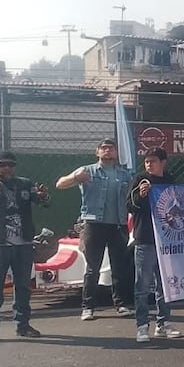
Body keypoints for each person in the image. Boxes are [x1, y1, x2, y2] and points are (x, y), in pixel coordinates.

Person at [0, 151, 50, 345]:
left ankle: (22, 325)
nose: (7, 168)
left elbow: (44, 202)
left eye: (11, 165)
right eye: (2, 164)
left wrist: (43, 196)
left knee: (23, 286)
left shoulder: (25, 183)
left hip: (23, 242)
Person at [55, 138, 135, 321]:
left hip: (118, 225)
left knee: (119, 267)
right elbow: (60, 184)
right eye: (104, 148)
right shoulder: (86, 170)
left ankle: (121, 304)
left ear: (116, 152)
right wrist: (76, 178)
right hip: (93, 224)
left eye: (111, 148)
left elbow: (134, 194)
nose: (107, 151)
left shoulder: (125, 174)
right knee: (92, 268)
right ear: (97, 152)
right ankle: (88, 307)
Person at [127, 147, 183, 342]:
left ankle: (164, 323)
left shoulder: (170, 180)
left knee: (165, 285)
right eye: (147, 161)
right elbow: (130, 205)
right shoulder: (139, 180)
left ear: (163, 162)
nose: (149, 164)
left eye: (153, 161)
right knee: (142, 285)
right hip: (145, 239)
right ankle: (142, 326)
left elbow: (178, 205)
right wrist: (141, 196)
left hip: (166, 240)